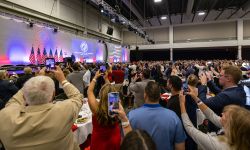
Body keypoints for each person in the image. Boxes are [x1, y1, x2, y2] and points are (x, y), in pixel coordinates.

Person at [0, 66, 83, 150]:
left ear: (25, 96)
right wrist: (63, 79)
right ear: (53, 94)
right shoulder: (64, 110)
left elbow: (14, 101)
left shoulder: (5, 116)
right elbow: (77, 97)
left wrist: (34, 82)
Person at [117, 81, 186, 150]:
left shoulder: (131, 116)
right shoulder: (173, 117)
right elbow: (180, 147)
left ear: (145, 95)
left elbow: (125, 143)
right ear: (160, 95)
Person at [179, 91, 250, 150]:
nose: (222, 114)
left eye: (225, 115)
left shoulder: (218, 145)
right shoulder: (234, 131)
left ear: (231, 123)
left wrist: (182, 104)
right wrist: (196, 98)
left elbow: (190, 128)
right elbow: (211, 115)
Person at [87, 71, 121, 150]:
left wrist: (95, 77)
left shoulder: (96, 109)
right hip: (114, 138)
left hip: (99, 140)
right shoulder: (116, 105)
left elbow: (89, 91)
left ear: (101, 95)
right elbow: (111, 92)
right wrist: (106, 79)